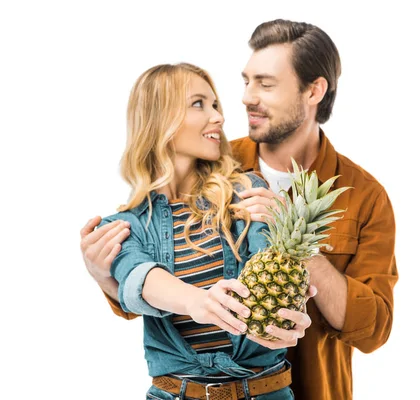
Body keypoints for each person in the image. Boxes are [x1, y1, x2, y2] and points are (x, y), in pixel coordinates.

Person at [81, 19, 398, 400]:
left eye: (265, 84)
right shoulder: (219, 167)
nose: (245, 98)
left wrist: (300, 248)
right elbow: (153, 276)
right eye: (246, 81)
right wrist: (109, 281)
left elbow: (374, 329)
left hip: (307, 387)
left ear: (314, 91)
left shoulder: (364, 195)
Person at [91, 62, 296, 399]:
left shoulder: (246, 193)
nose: (219, 117)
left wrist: (292, 312)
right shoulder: (123, 226)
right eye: (199, 104)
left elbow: (272, 262)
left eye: (216, 105)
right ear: (160, 118)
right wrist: (199, 302)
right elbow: (141, 280)